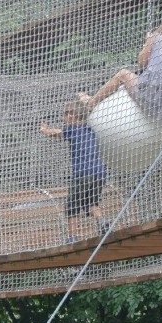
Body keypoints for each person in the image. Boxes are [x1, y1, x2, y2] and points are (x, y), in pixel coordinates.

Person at [79, 16, 162, 126]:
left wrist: (148, 41)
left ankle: (91, 104)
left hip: (150, 93)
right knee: (127, 84)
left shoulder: (157, 38)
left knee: (123, 74)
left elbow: (142, 62)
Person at [40, 99, 108, 243]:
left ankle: (72, 237)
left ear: (71, 117)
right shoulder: (90, 129)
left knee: (72, 205)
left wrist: (46, 131)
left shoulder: (72, 129)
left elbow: (58, 132)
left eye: (64, 117)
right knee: (90, 203)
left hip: (82, 174)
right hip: (99, 174)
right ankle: (102, 221)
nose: (64, 120)